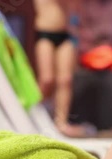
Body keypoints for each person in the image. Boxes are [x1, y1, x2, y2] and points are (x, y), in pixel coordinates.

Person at [34, 0, 89, 137]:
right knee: (47, 80)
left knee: (65, 80)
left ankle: (61, 122)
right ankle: (31, 114)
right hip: (45, 34)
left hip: (66, 35)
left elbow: (78, 9)